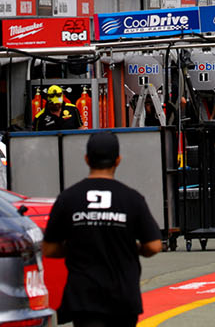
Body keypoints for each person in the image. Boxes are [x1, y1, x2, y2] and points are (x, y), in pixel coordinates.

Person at [42, 131, 163, 327]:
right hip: (123, 298)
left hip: (84, 298)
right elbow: (154, 246)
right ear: (118, 160)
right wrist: (134, 248)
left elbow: (49, 249)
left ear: (87, 159)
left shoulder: (68, 198)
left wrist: (74, 247)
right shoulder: (132, 199)